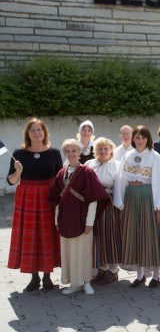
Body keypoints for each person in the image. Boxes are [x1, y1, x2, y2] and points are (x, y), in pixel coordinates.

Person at [7, 118, 63, 292]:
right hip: (27, 196)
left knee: (47, 235)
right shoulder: (19, 154)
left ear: (44, 133)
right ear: (28, 134)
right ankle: (34, 277)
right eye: (33, 130)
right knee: (30, 236)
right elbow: (11, 181)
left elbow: (59, 177)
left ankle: (47, 277)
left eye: (40, 130)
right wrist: (18, 171)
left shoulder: (54, 153)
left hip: (48, 196)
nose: (37, 133)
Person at [50, 139, 110, 295]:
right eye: (68, 151)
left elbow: (94, 198)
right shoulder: (61, 173)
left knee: (83, 252)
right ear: (65, 154)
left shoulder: (87, 172)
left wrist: (90, 222)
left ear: (80, 152)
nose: (71, 154)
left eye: (74, 151)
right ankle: (74, 283)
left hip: (82, 219)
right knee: (69, 252)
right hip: (65, 218)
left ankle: (87, 282)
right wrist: (57, 219)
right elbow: (57, 199)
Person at [113, 125, 160, 288]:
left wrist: (159, 207)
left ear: (148, 139)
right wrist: (121, 204)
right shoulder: (128, 156)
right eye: (137, 137)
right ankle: (140, 275)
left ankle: (156, 275)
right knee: (135, 235)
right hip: (131, 197)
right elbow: (121, 180)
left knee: (150, 235)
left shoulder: (154, 156)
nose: (139, 140)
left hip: (147, 198)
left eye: (143, 137)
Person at [86, 137, 123, 286]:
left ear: (111, 150)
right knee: (97, 237)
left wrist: (119, 207)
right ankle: (101, 268)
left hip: (109, 204)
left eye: (106, 148)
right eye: (100, 149)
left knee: (110, 236)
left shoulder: (117, 165)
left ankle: (113, 271)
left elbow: (120, 187)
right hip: (93, 204)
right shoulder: (90, 164)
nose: (103, 151)